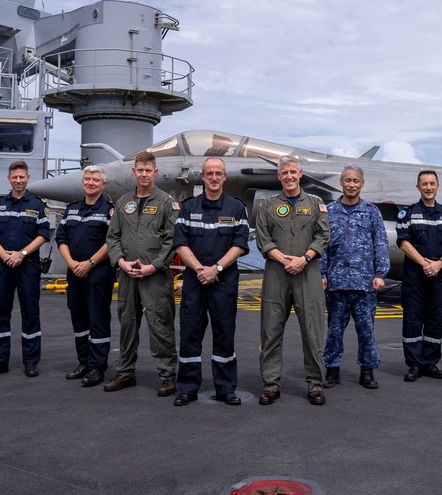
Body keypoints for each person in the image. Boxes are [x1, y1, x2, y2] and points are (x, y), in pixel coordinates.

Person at [172, 158, 250, 407]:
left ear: (225, 176)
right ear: (202, 177)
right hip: (195, 281)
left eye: (218, 173)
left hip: (223, 281)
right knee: (190, 334)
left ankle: (225, 388)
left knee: (224, 334)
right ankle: (188, 388)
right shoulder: (188, 207)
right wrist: (199, 269)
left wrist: (215, 268)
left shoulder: (237, 208)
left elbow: (240, 245)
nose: (214, 178)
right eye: (209, 174)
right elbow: (180, 244)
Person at [255, 155, 330, 406]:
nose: (288, 176)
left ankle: (315, 385)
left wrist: (304, 259)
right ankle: (270, 385)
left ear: (300, 174)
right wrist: (283, 259)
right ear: (279, 176)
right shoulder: (268, 205)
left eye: (292, 172)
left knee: (312, 332)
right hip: (277, 274)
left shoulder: (316, 204)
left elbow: (323, 236)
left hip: (307, 272)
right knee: (271, 331)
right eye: (284, 173)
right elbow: (262, 239)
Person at [104, 151, 179, 396]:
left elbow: (171, 240)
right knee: (127, 322)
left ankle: (167, 375)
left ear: (155, 172)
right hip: (127, 275)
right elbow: (113, 237)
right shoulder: (123, 202)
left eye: (149, 170)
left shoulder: (167, 203)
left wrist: (154, 265)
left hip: (155, 276)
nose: (144, 174)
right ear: (134, 172)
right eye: (140, 170)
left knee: (160, 324)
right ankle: (125, 371)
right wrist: (121, 263)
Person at [320, 165, 390, 389]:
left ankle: (367, 371)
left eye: (356, 181)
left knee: (366, 331)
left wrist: (380, 274)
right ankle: (332, 370)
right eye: (347, 180)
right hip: (337, 283)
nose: (351, 184)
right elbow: (322, 246)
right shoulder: (329, 211)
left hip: (364, 283)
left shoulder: (371, 211)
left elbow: (381, 244)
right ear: (341, 182)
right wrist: (322, 274)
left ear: (362, 184)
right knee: (334, 331)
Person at [0, 160, 50, 378]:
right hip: (4, 266)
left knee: (31, 313)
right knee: (1, 313)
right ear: (9, 179)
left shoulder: (38, 204)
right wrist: (5, 256)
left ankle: (30, 361)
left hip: (28, 266)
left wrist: (21, 255)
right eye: (15, 177)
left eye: (22, 177)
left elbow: (43, 235)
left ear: (28, 178)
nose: (18, 180)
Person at [396, 170, 442, 383]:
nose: (428, 187)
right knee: (413, 319)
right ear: (418, 187)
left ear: (438, 186)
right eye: (424, 184)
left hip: (439, 272)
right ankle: (414, 364)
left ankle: (430, 362)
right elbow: (404, 242)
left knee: (435, 318)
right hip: (416, 272)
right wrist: (425, 263)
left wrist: (440, 263)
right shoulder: (408, 213)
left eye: (432, 183)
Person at [55, 165, 115, 387]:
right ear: (83, 182)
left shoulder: (109, 210)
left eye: (95, 180)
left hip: (98, 273)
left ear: (103, 184)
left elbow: (112, 241)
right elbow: (61, 238)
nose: (91, 183)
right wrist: (71, 264)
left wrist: (89, 263)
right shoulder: (71, 210)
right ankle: (84, 361)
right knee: (78, 318)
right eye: (88, 179)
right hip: (75, 273)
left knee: (98, 319)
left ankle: (97, 366)